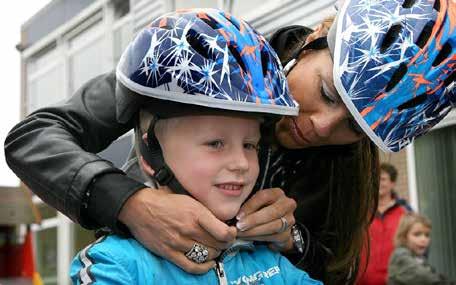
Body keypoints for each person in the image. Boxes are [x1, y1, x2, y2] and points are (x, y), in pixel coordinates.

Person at [4, 0, 455, 283]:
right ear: (317, 39)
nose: (322, 127)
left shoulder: (347, 166)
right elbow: (35, 136)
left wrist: (291, 238)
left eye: (355, 127)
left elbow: (339, 268)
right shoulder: (207, 61)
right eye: (327, 92)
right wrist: (130, 205)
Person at [70, 10, 321, 284]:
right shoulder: (113, 265)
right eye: (215, 143)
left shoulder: (271, 263)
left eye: (250, 144)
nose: (241, 162)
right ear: (151, 153)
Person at [357, 163, 413, 285]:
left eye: (383, 179)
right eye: (375, 179)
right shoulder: (361, 212)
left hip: (397, 280)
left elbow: (416, 244)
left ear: (392, 183)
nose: (378, 183)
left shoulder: (405, 212)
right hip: (364, 280)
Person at [388, 213, 452, 285]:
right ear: (404, 237)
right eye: (417, 234)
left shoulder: (417, 257)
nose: (423, 239)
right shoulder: (400, 255)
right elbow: (423, 277)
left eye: (427, 235)